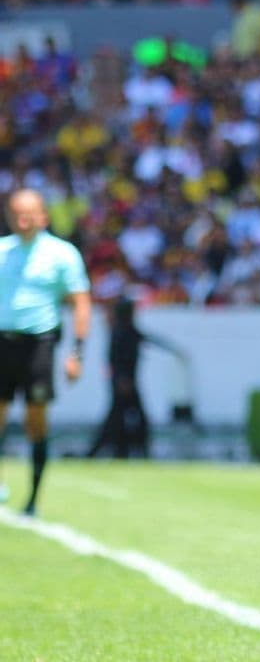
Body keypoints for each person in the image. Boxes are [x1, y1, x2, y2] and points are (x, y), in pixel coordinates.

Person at [0, 189, 92, 516]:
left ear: (43, 216)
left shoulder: (62, 254)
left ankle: (33, 498)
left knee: (36, 419)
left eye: (28, 214)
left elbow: (81, 301)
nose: (23, 221)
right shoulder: (2, 251)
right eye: (16, 215)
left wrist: (77, 352)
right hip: (2, 341)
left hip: (38, 344)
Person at [85, 298, 181, 459]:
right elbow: (114, 358)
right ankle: (123, 450)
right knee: (123, 419)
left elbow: (148, 338)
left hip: (126, 382)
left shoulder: (126, 330)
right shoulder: (120, 331)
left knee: (118, 418)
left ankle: (117, 450)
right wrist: (121, 379)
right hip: (124, 383)